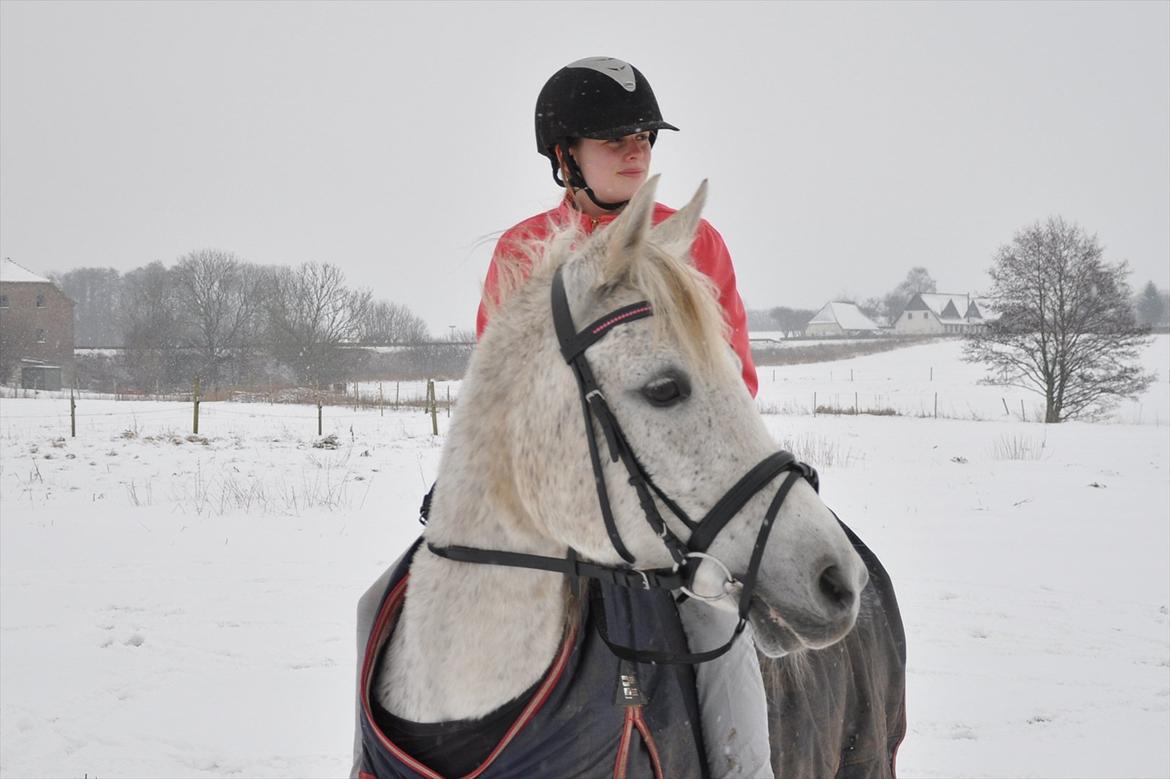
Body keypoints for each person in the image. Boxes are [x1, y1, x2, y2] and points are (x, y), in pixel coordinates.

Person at [474, 56, 772, 779]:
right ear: (564, 156)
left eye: (643, 134)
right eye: (615, 138)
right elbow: (496, 397)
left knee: (717, 630)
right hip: (547, 514)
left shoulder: (695, 243)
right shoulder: (522, 252)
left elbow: (736, 384)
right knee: (384, 600)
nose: (636, 148)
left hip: (663, 515)